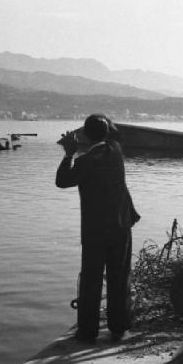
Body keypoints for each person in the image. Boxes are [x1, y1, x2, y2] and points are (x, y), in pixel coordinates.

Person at [56, 114, 140, 343]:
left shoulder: (85, 162)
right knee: (119, 276)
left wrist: (69, 153)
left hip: (95, 230)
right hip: (121, 225)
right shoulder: (116, 152)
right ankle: (118, 327)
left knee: (91, 279)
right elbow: (114, 133)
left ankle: (88, 330)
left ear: (85, 135)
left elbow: (62, 181)